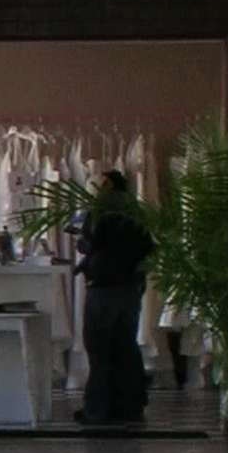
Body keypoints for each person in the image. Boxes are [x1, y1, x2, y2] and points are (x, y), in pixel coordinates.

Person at [72, 170, 155, 425]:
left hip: (103, 287)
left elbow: (90, 242)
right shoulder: (136, 212)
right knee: (126, 347)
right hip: (129, 288)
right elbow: (148, 247)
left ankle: (97, 409)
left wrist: (82, 244)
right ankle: (129, 406)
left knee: (98, 347)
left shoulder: (101, 211)